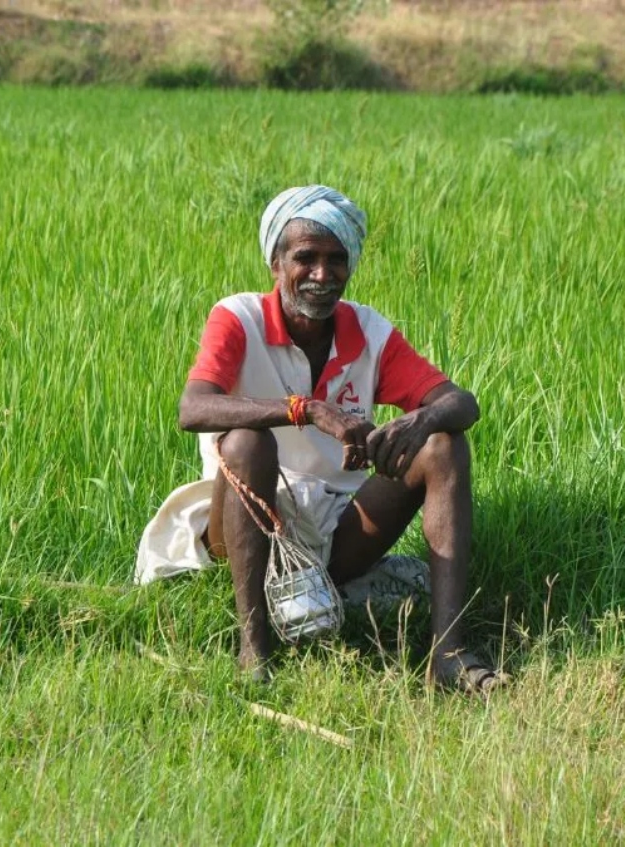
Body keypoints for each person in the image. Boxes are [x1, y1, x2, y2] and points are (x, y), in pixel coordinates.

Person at [135, 185, 504, 693]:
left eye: (336, 260)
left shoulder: (368, 331)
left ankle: (449, 654)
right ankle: (253, 645)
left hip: (334, 528)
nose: (321, 275)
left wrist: (418, 421)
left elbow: (463, 402)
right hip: (243, 525)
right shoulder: (238, 318)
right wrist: (306, 411)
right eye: (305, 258)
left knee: (444, 444)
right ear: (275, 262)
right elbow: (193, 408)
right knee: (247, 443)